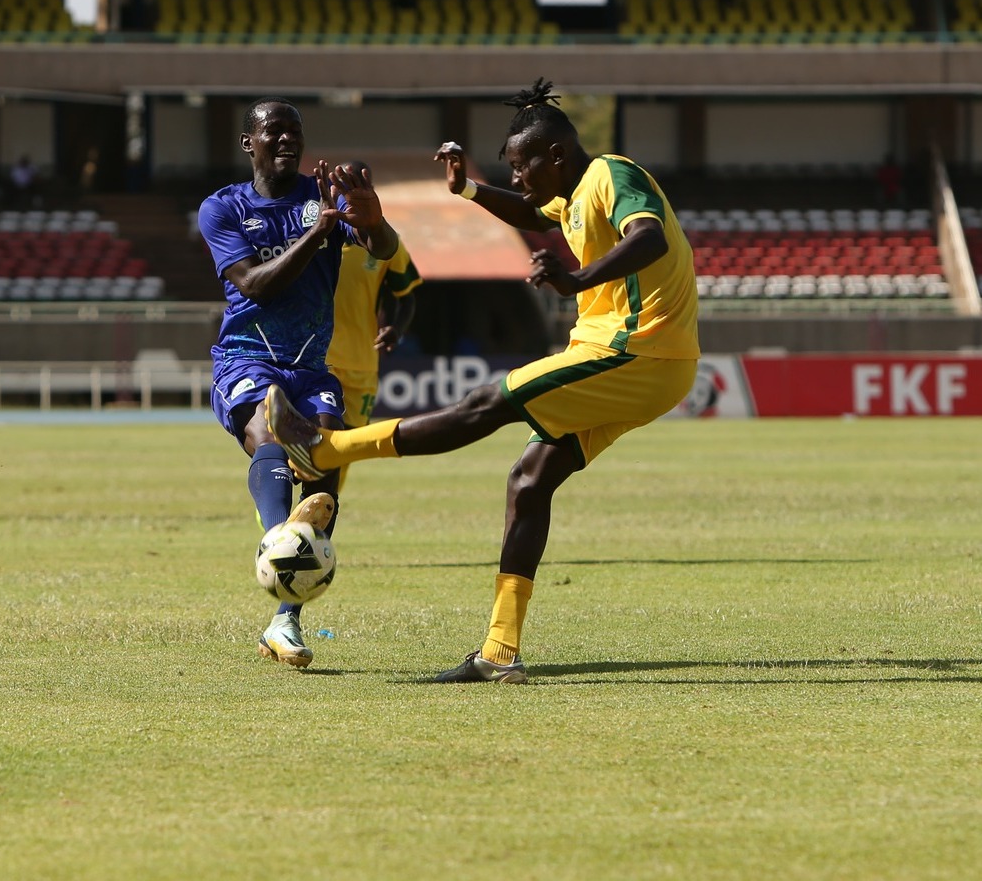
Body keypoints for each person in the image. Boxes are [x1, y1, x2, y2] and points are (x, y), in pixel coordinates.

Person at [267, 78, 700, 683]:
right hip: (640, 359)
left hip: (637, 348)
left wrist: (577, 282)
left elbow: (647, 236)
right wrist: (468, 189)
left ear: (557, 156)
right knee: (528, 481)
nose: (519, 178)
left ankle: (327, 447)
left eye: (523, 166)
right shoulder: (571, 196)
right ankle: (500, 652)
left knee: (485, 402)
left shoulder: (610, 174)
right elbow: (530, 211)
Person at [198, 97, 399, 669]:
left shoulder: (325, 196)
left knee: (324, 464)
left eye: (296, 132)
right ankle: (278, 542)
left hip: (311, 366)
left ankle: (284, 621)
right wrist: (321, 233)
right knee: (269, 434)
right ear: (248, 143)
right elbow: (257, 286)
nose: (287, 140)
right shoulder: (223, 208)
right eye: (274, 131)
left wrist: (370, 220)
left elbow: (385, 251)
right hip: (245, 358)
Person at [326, 159, 422, 492]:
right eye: (340, 181)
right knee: (304, 438)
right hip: (314, 357)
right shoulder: (314, 232)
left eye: (355, 181)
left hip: (361, 363)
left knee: (348, 445)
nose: (346, 188)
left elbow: (407, 294)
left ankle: (320, 515)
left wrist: (396, 327)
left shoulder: (384, 241)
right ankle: (277, 507)